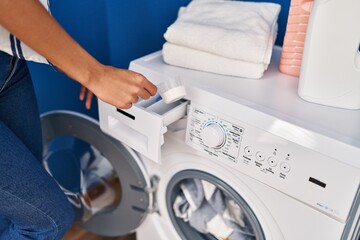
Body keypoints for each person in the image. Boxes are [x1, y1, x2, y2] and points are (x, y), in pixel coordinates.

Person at [0, 0, 157, 239]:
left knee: (13, 210)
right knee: (48, 221)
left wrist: (77, 66)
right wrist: (93, 74)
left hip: (8, 64)